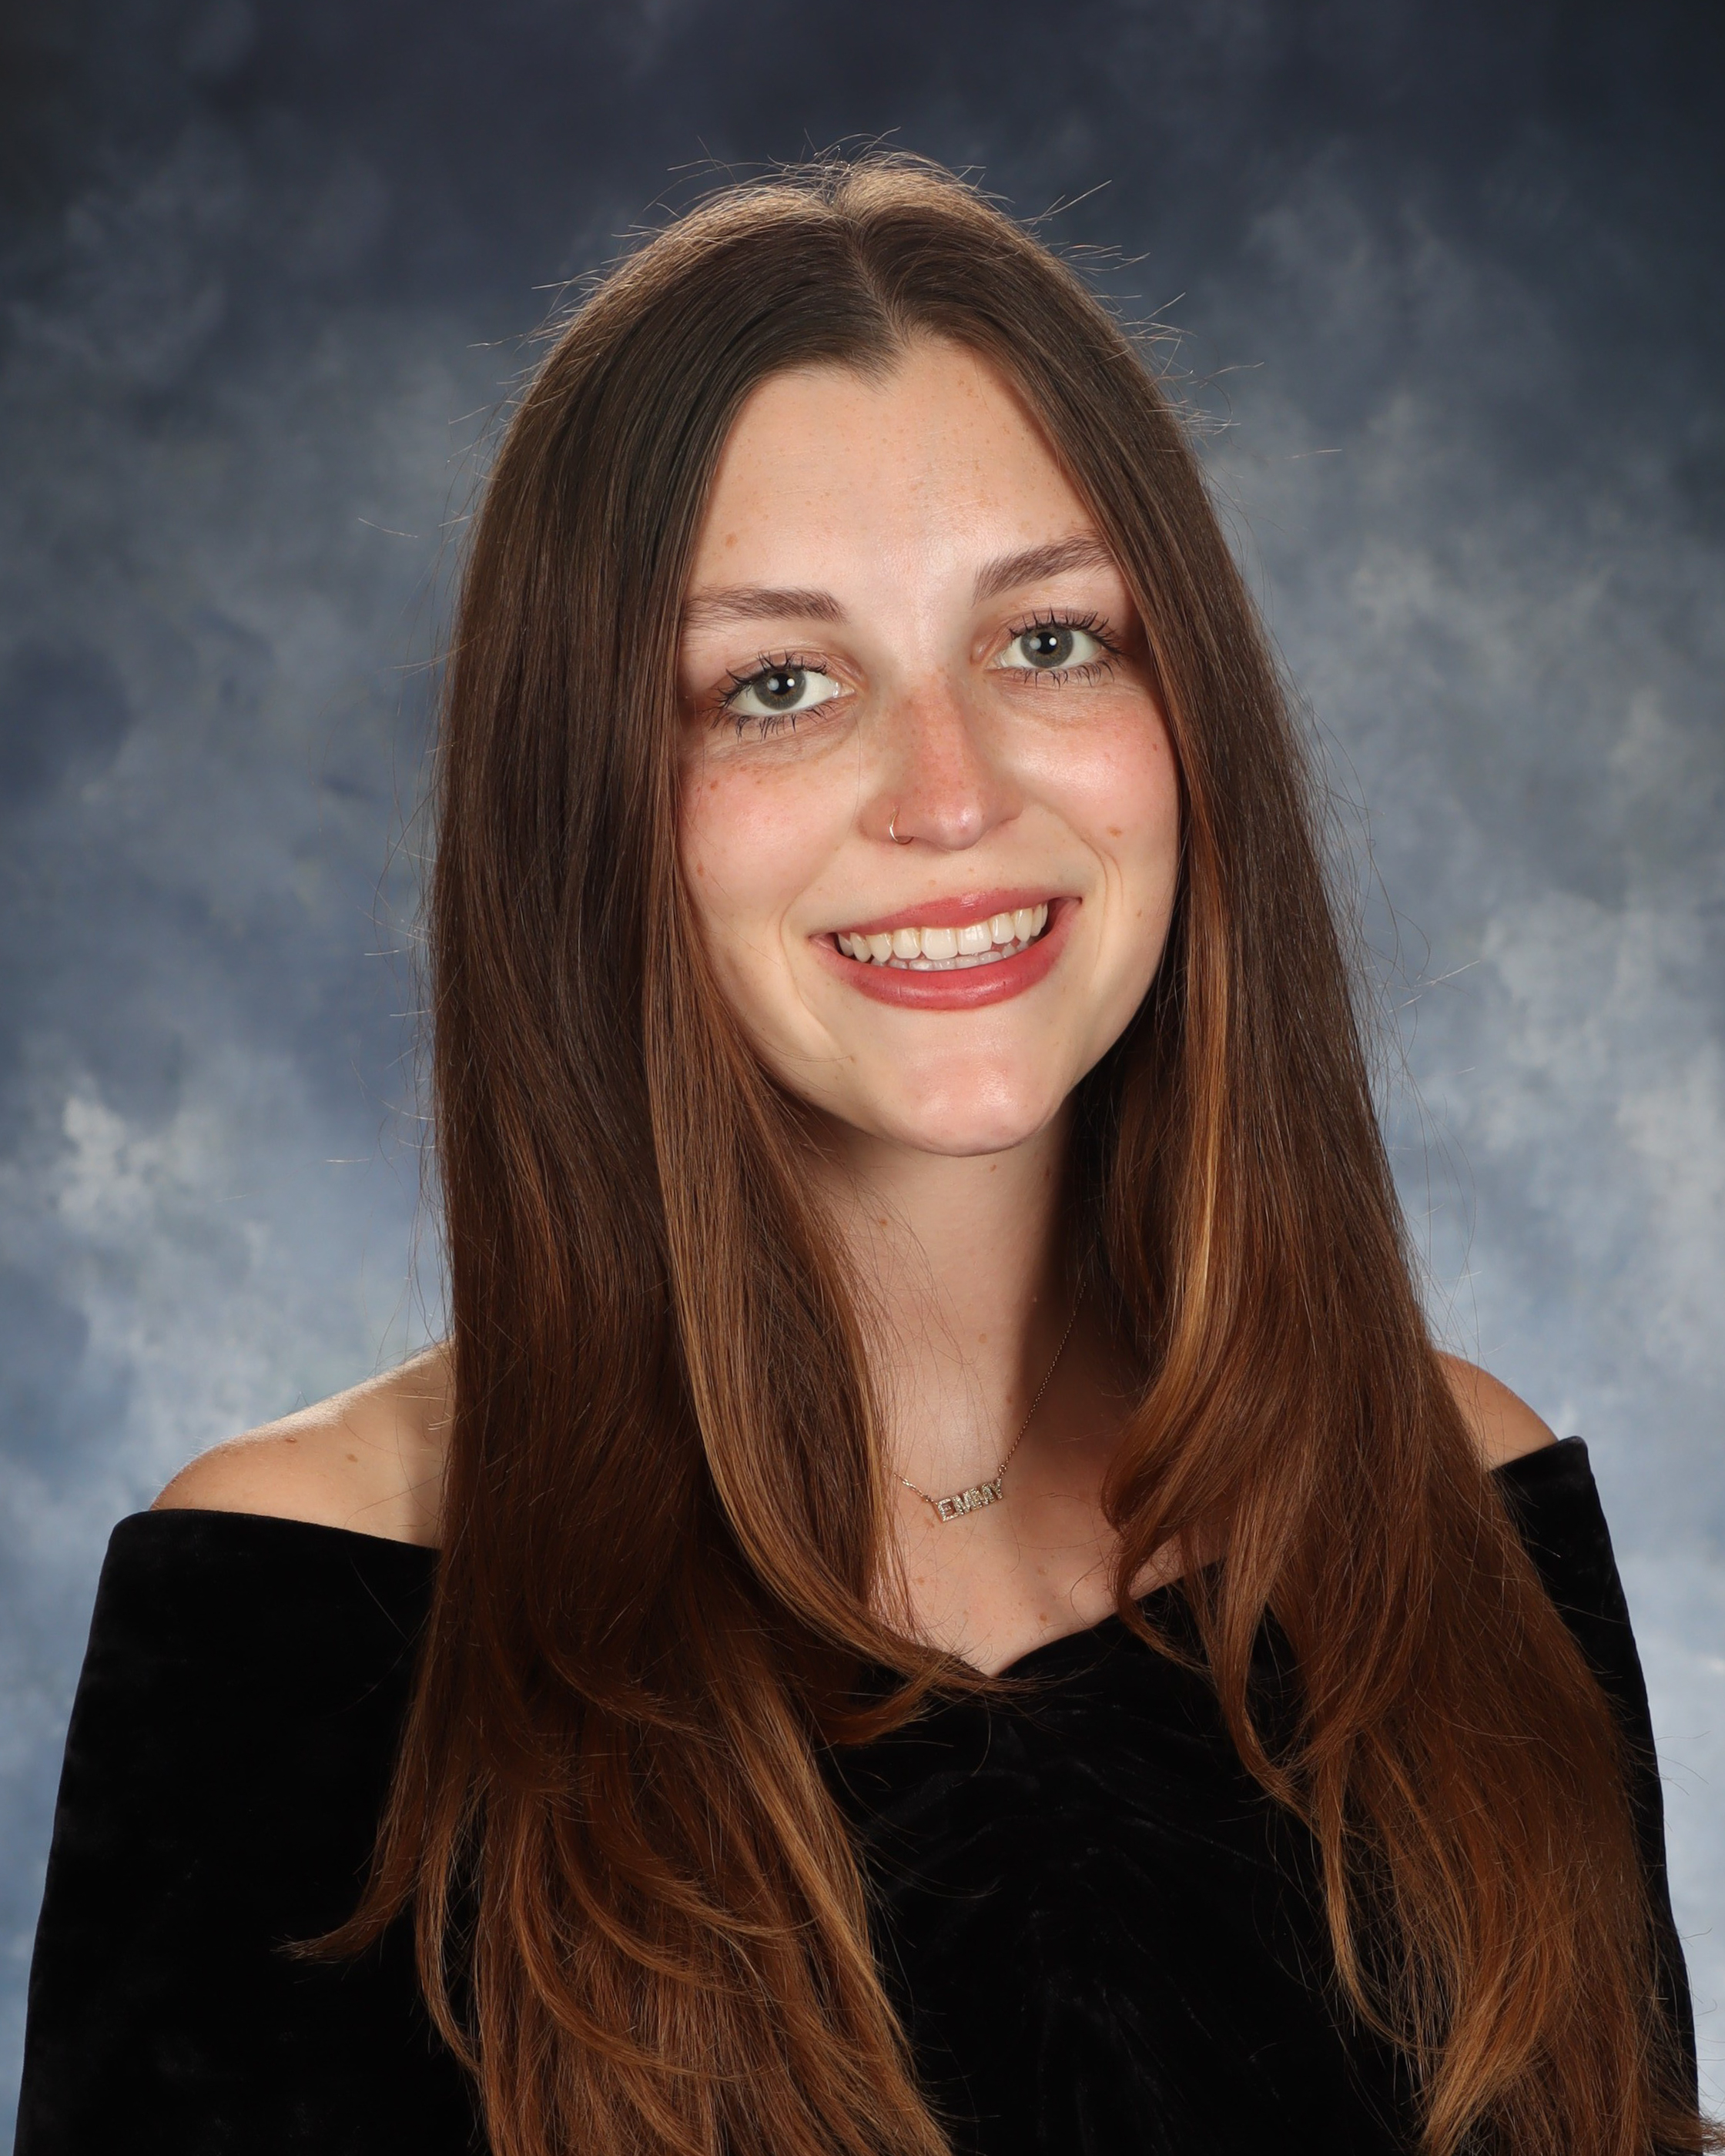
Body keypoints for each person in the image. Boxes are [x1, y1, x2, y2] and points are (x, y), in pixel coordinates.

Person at [15, 157, 1708, 2156]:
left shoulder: (1454, 1505)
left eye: (1050, 641)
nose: (951, 794)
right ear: (590, 807)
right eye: (780, 685)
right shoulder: (302, 1611)